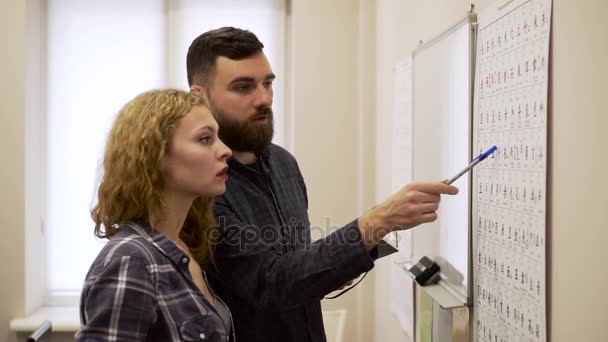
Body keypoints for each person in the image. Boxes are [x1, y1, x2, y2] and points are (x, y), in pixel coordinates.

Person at [186, 27, 459, 342]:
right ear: (199, 96)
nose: (263, 99)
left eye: (268, 83)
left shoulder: (284, 164)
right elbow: (272, 283)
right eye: (244, 87)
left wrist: (382, 230)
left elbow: (302, 266)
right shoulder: (201, 185)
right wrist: (375, 221)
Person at [77, 89, 235, 342]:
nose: (226, 150)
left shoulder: (182, 247)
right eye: (205, 139)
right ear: (155, 155)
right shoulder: (131, 261)